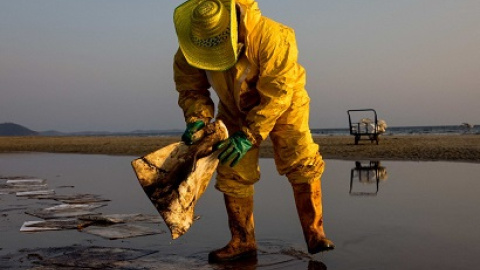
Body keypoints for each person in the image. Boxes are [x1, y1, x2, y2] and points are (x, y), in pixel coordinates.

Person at [173, 0, 334, 262]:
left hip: (285, 102)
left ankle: (315, 233)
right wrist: (197, 119)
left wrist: (250, 134)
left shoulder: (273, 36)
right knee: (231, 168)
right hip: (233, 105)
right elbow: (191, 89)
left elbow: (277, 93)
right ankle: (242, 240)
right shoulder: (192, 46)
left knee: (300, 158)